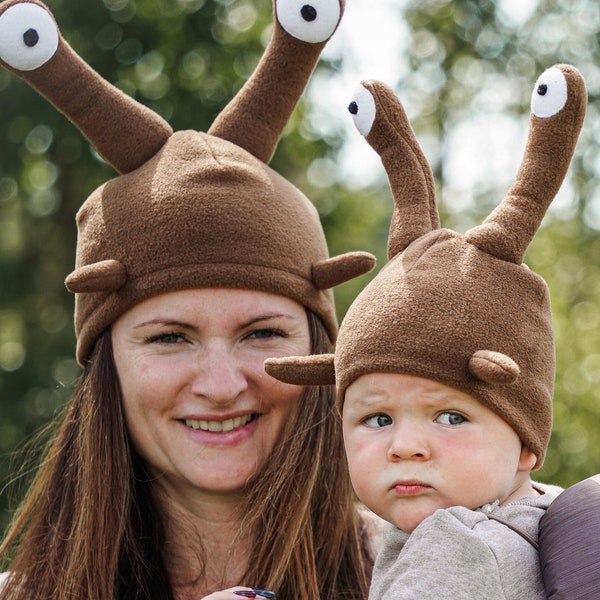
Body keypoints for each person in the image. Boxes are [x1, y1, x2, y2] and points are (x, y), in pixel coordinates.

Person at [0, 0, 380, 598]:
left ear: (322, 349)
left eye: (262, 333)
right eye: (170, 337)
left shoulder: (431, 572)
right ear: (106, 364)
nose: (222, 384)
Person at [265, 64, 587, 598]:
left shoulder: (456, 546)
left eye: (452, 415)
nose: (406, 446)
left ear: (527, 443)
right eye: (377, 417)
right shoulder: (528, 522)